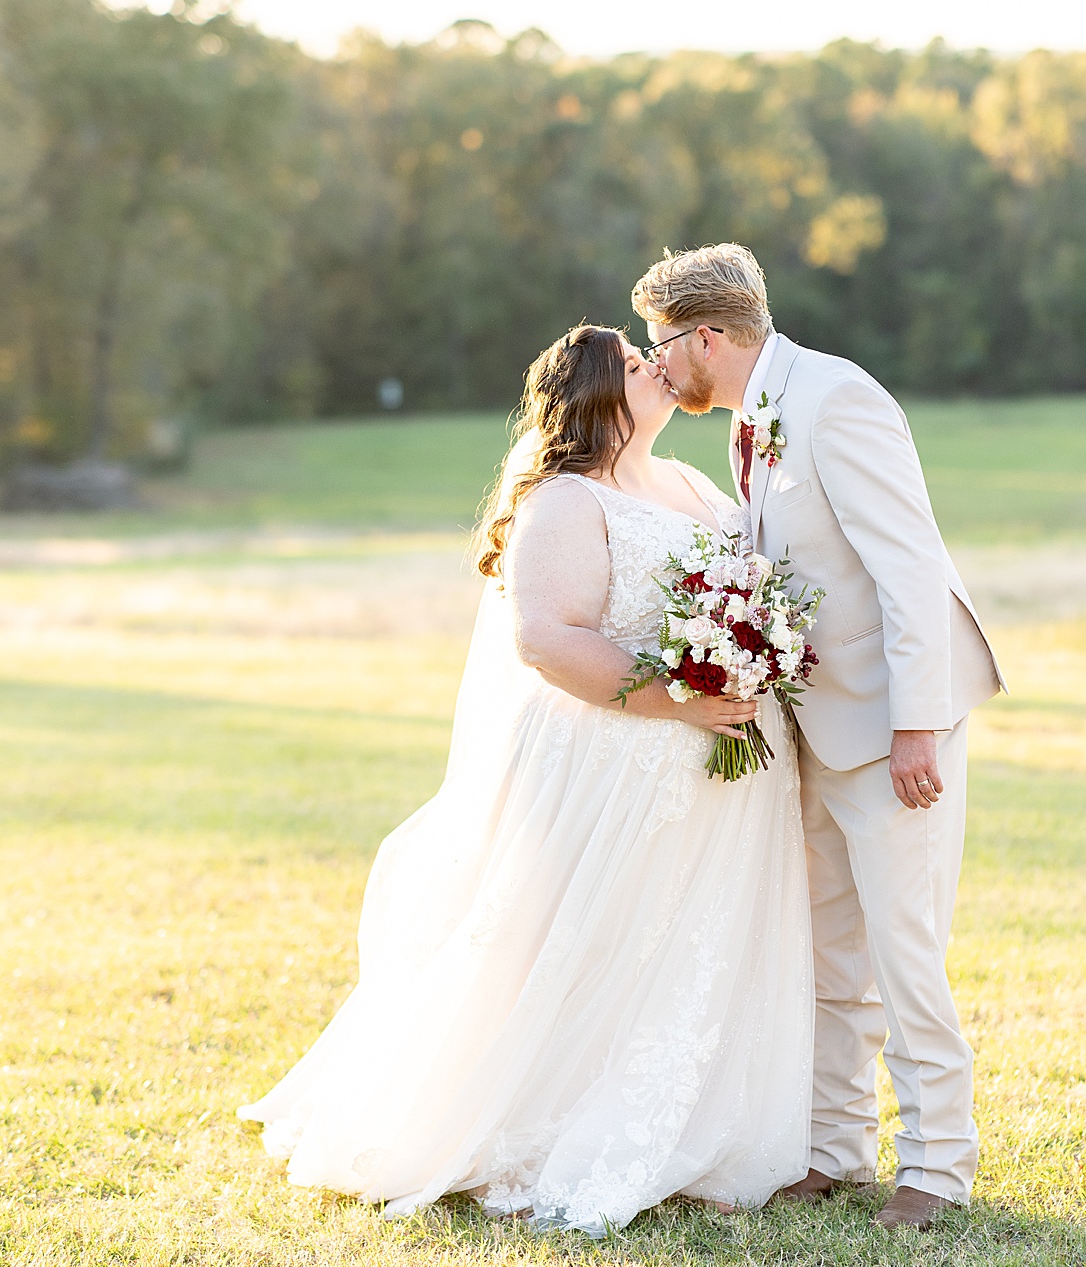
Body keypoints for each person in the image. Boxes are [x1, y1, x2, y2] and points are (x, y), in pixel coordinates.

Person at [239, 325, 813, 1235]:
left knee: (690, 943)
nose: (657, 367)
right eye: (634, 363)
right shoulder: (564, 502)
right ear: (597, 398)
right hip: (618, 764)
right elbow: (546, 638)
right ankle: (544, 1122)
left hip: (721, 771)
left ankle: (697, 1128)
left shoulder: (696, 485)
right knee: (587, 942)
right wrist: (679, 697)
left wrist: (749, 656)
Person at [632, 244, 1004, 1231]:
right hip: (812, 732)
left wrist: (916, 727)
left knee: (903, 950)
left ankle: (935, 1164)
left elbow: (910, 571)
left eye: (663, 346)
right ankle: (833, 1150)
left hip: (891, 731)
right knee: (831, 956)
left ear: (706, 336)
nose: (660, 367)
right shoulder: (754, 419)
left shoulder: (839, 399)